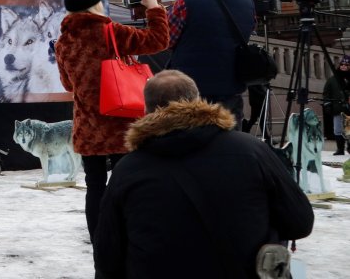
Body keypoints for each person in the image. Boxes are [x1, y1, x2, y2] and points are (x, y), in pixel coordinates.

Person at [94, 70, 314, 279]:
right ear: (198, 100)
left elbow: (107, 255)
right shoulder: (251, 150)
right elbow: (300, 222)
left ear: (147, 110)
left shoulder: (128, 168)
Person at [54, 0, 168, 261]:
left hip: (88, 127)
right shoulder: (111, 31)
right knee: (124, 183)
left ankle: (100, 244)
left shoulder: (64, 41)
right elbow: (159, 40)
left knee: (94, 185)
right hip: (121, 123)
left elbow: (68, 85)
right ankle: (126, 239)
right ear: (96, 3)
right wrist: (153, 8)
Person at [167, 0, 256, 128]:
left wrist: (178, 0)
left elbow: (166, 39)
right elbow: (250, 28)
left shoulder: (188, 1)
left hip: (192, 91)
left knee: (195, 140)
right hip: (231, 88)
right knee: (229, 139)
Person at [323, 55, 350, 155]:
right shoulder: (332, 80)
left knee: (349, 130)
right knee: (337, 129)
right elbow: (326, 93)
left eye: (346, 65)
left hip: (349, 109)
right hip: (337, 108)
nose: (343, 66)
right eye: (342, 64)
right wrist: (327, 105)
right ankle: (340, 149)